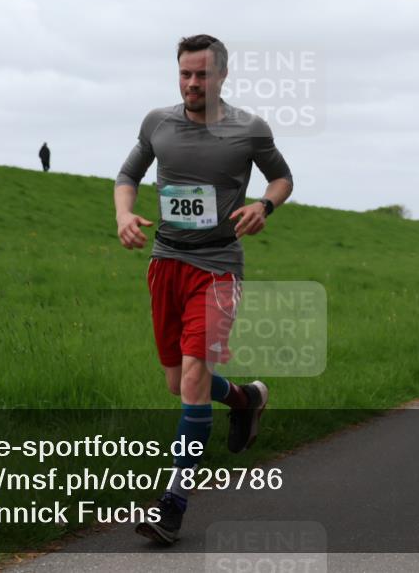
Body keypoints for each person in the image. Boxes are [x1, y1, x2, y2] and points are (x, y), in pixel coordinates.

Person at [114, 34, 293, 545]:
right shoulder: (157, 123)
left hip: (218, 267)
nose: (193, 83)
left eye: (203, 75)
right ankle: (244, 400)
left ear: (222, 76)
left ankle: (172, 505)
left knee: (193, 377)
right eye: (185, 74)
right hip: (166, 262)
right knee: (179, 383)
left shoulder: (248, 130)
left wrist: (264, 205)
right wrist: (125, 213)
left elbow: (282, 178)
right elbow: (128, 174)